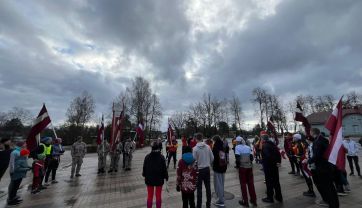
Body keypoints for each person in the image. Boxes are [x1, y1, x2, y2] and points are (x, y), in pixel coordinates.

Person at [308, 128, 339, 208]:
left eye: (310, 132)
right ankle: (334, 204)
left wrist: (308, 161)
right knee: (330, 187)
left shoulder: (318, 141)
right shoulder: (323, 139)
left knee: (328, 188)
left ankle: (333, 205)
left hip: (323, 168)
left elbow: (317, 156)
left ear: (312, 132)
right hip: (326, 167)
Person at [142, 141, 168, 208]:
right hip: (159, 179)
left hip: (149, 179)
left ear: (151, 148)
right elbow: (164, 169)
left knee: (150, 196)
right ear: (158, 148)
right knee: (158, 195)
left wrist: (144, 174)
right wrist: (166, 176)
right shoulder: (162, 157)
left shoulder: (147, 157)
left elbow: (144, 168)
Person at [192, 133, 214, 208]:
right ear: (202, 138)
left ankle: (199, 205)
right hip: (207, 169)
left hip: (199, 170)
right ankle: (208, 204)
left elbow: (194, 161)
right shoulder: (208, 147)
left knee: (199, 189)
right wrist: (207, 162)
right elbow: (212, 158)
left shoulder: (195, 149)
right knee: (208, 188)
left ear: (196, 139)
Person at [235, 136, 257, 207]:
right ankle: (254, 200)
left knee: (243, 185)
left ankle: (245, 202)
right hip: (249, 167)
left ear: (238, 142)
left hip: (242, 168)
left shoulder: (237, 147)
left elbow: (237, 159)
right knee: (251, 184)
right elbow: (251, 158)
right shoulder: (248, 147)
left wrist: (238, 167)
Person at [261, 133, 283, 203]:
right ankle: (279, 197)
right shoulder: (273, 144)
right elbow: (278, 154)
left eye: (261, 139)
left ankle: (270, 198)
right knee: (276, 182)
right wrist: (278, 162)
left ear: (263, 139)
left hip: (268, 167)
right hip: (275, 166)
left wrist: (264, 161)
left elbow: (268, 156)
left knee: (269, 182)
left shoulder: (265, 145)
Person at [7, 140, 28, 206]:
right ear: (22, 145)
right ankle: (10, 199)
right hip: (15, 172)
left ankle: (14, 197)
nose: (26, 145)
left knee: (17, 185)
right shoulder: (14, 152)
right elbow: (11, 162)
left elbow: (24, 161)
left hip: (21, 171)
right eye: (25, 144)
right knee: (13, 186)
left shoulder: (22, 151)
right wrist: (12, 171)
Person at [212, 135, 227, 207]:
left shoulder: (215, 147)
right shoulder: (223, 145)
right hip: (223, 167)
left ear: (215, 140)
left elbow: (213, 159)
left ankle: (221, 201)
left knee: (218, 185)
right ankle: (222, 197)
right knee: (222, 183)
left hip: (217, 168)